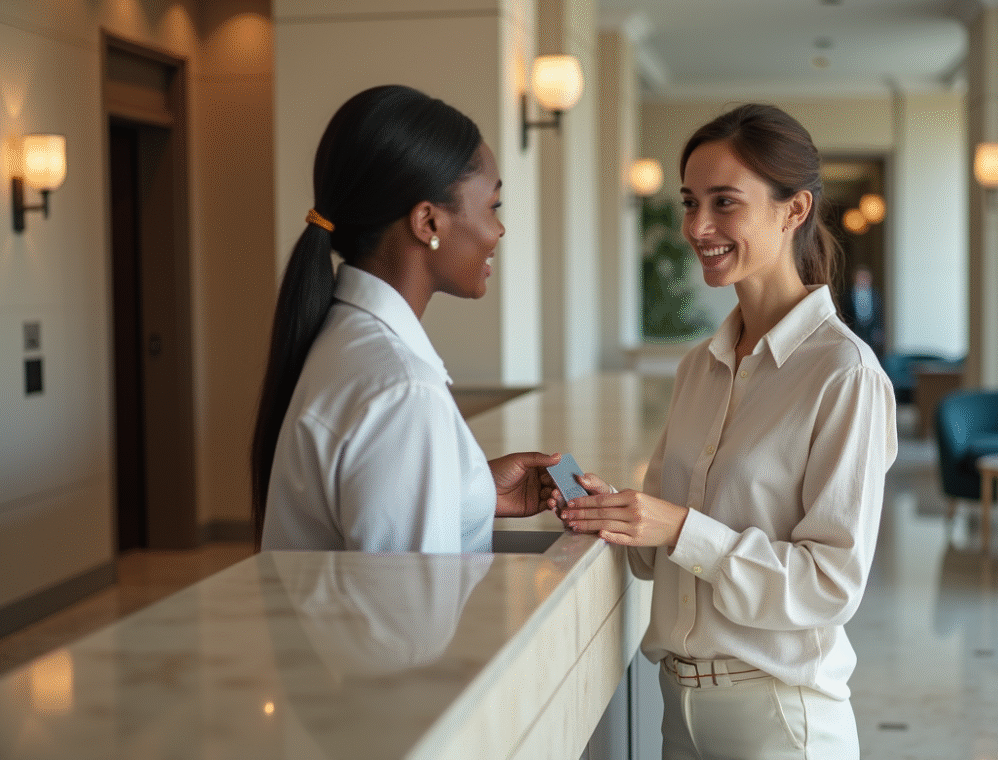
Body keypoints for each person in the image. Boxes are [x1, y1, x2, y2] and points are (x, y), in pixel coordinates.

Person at [547, 104, 897, 759]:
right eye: (689, 202)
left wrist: (680, 528)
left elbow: (830, 585)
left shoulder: (843, 373)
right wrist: (613, 512)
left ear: (794, 210)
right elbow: (661, 554)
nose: (697, 227)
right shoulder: (699, 367)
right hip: (679, 710)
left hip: (781, 719)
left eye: (724, 202)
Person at [251, 85, 559, 554]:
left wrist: (470, 491)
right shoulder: (403, 390)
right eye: (493, 206)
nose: (499, 229)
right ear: (428, 222)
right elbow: (409, 597)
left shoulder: (346, 341)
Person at [840, 265, 884, 357]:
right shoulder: (847, 295)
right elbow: (843, 314)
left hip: (871, 330)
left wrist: (879, 331)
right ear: (854, 278)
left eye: (865, 277)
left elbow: (879, 314)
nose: (863, 280)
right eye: (860, 277)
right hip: (855, 329)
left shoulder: (875, 294)